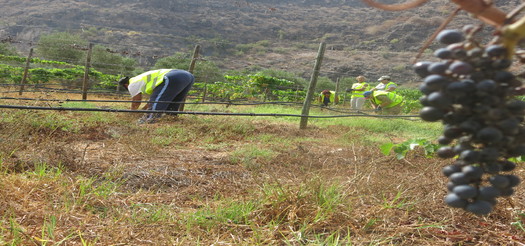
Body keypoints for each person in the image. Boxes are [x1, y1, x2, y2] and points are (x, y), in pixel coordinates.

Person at [119, 69, 195, 123]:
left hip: (171, 77)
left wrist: (132, 113)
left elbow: (136, 102)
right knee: (174, 101)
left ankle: (149, 121)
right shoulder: (140, 80)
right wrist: (143, 110)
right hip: (188, 76)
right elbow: (151, 102)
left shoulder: (132, 84)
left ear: (125, 85)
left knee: (156, 105)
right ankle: (171, 119)